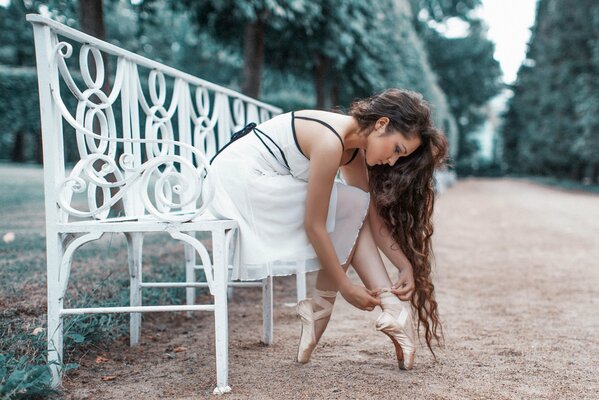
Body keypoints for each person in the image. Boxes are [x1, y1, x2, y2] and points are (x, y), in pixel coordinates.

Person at [206, 88, 448, 369]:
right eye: (396, 149)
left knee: (353, 205)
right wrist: (345, 287)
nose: (392, 161)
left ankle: (376, 309)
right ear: (382, 124)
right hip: (236, 183)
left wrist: (404, 265)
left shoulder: (352, 149)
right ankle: (372, 307)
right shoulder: (330, 141)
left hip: (258, 184)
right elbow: (314, 226)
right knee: (347, 205)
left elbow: (369, 216)